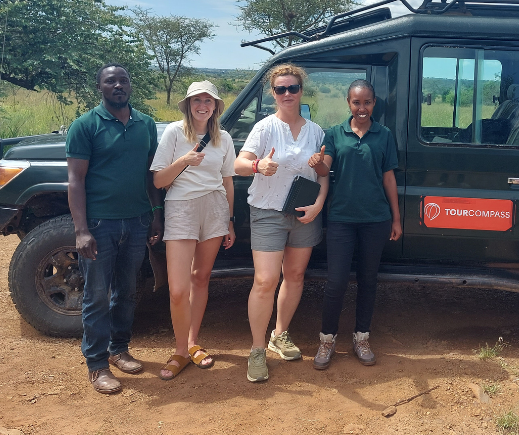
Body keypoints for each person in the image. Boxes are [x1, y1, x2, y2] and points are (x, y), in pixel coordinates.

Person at [66, 63, 163, 394]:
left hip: (136, 222)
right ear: (100, 87)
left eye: (123, 80)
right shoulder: (85, 125)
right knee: (95, 294)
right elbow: (75, 181)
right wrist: (81, 230)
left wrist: (156, 214)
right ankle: (96, 364)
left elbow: (151, 175)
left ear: (130, 86)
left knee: (127, 290)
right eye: (111, 81)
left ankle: (118, 349)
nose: (118, 85)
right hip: (99, 223)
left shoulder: (146, 124)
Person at [234, 64, 329, 382]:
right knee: (265, 281)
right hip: (268, 213)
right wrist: (259, 165)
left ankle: (280, 333)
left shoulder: (316, 131)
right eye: (280, 89)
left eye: (292, 88)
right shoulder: (264, 128)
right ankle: (258, 349)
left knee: (296, 275)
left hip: (304, 213)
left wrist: (318, 204)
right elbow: (240, 163)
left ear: (301, 91)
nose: (287, 94)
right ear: (273, 93)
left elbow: (321, 173)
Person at [307, 79, 401, 370]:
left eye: (367, 102)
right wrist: (317, 162)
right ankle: (327, 340)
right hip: (342, 219)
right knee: (335, 282)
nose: (362, 108)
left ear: (374, 103)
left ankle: (362, 337)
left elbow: (388, 178)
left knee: (368, 281)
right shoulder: (335, 133)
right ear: (348, 103)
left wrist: (396, 218)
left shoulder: (384, 135)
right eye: (356, 102)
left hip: (375, 219)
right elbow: (326, 168)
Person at [150, 81, 236, 380]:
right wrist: (184, 160)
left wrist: (229, 220)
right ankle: (179, 351)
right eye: (197, 100)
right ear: (188, 105)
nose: (203, 105)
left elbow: (227, 181)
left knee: (201, 278)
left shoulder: (223, 138)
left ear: (215, 107)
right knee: (177, 289)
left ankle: (191, 342)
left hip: (214, 208)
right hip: (181, 208)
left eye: (208, 101)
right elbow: (159, 181)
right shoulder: (175, 133)